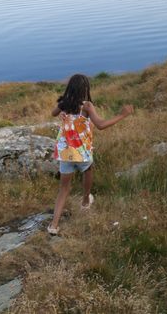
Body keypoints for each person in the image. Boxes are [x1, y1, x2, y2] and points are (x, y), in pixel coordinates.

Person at [47, 74, 134, 235]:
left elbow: (53, 113)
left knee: (63, 189)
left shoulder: (63, 104)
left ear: (69, 88)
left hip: (66, 153)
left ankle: (53, 225)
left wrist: (61, 111)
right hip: (82, 152)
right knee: (88, 170)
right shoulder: (86, 106)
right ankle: (86, 201)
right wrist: (122, 115)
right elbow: (100, 125)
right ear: (85, 89)